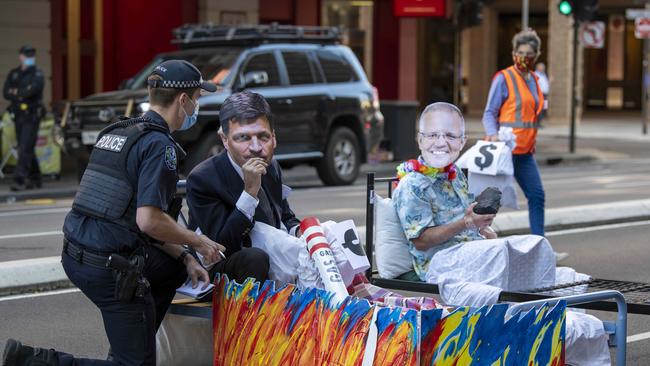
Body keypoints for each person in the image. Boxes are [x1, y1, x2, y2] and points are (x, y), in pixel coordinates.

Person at [2, 60, 225, 366]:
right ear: (183, 100)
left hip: (76, 253)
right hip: (108, 265)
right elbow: (149, 220)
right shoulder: (160, 146)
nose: (197, 105)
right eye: (197, 98)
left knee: (172, 268)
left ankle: (134, 341)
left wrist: (185, 257)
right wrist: (197, 243)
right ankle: (33, 361)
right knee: (134, 365)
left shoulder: (118, 131)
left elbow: (137, 220)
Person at [186, 90, 301, 284]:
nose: (256, 147)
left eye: (263, 137)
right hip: (224, 268)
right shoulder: (203, 178)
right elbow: (222, 247)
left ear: (274, 137)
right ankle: (256, 315)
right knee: (255, 258)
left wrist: (302, 232)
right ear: (224, 139)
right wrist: (249, 193)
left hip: (275, 255)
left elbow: (285, 217)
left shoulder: (271, 165)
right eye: (243, 138)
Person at [392, 102, 497, 282]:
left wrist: (484, 229)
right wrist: (466, 223)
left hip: (472, 253)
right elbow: (421, 241)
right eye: (432, 135)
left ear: (462, 142)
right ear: (420, 140)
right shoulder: (413, 185)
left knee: (532, 248)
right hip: (441, 266)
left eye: (450, 135)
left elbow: (468, 220)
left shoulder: (456, 174)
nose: (441, 143)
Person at [482, 29, 546, 237]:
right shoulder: (504, 78)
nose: (524, 58)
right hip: (503, 152)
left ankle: (539, 247)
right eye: (520, 53)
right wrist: (492, 133)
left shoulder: (535, 81)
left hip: (525, 153)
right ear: (513, 54)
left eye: (529, 54)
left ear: (536, 56)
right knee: (489, 204)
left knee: (537, 196)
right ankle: (476, 242)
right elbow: (489, 112)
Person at [3, 45, 45, 191]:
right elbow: (6, 92)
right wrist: (22, 92)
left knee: (25, 147)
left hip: (32, 116)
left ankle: (19, 180)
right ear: (21, 56)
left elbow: (32, 91)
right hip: (18, 115)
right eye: (27, 55)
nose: (30, 58)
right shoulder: (14, 74)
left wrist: (17, 92)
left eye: (32, 55)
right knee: (26, 146)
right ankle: (36, 178)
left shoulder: (37, 74)